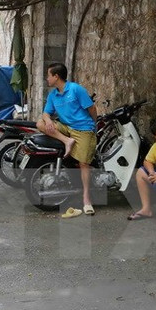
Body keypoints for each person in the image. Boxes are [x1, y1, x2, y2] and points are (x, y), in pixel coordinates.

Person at [36, 63, 98, 214]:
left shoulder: (75, 89)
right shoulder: (53, 94)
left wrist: (93, 126)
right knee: (40, 123)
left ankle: (86, 199)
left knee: (84, 164)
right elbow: (46, 113)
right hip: (66, 128)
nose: (47, 78)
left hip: (83, 128)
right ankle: (66, 141)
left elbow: (92, 109)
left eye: (48, 75)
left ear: (56, 76)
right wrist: (49, 120)